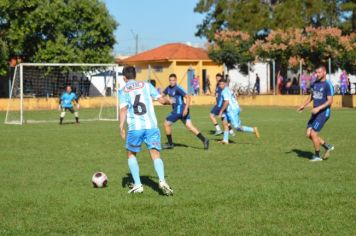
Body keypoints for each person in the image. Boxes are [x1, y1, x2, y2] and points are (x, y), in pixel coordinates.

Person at [119, 66, 173, 195]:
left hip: (135, 128)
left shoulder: (123, 90)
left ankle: (138, 185)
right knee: (155, 154)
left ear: (124, 78)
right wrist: (169, 101)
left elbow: (123, 109)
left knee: (131, 154)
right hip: (151, 126)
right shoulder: (146, 85)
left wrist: (121, 127)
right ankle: (161, 180)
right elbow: (161, 100)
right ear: (135, 75)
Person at [161, 73, 209, 150]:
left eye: (173, 80)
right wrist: (157, 97)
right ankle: (204, 140)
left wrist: (186, 109)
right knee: (190, 127)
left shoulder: (178, 88)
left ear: (176, 80)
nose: (171, 82)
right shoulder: (168, 88)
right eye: (170, 80)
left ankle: (170, 144)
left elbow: (188, 97)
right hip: (179, 110)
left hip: (180, 109)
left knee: (166, 124)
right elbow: (161, 95)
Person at [297, 65, 334, 161]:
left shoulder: (328, 84)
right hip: (315, 112)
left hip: (323, 112)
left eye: (319, 72)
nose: (317, 74)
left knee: (313, 133)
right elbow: (311, 97)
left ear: (324, 72)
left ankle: (317, 156)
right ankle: (327, 146)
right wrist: (303, 105)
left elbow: (330, 101)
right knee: (309, 134)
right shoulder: (315, 83)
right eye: (316, 72)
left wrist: (318, 108)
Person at [217, 79, 260, 144]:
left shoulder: (224, 92)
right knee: (224, 122)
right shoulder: (228, 89)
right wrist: (238, 106)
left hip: (231, 110)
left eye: (222, 84)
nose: (221, 85)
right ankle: (225, 140)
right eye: (220, 84)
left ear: (225, 84)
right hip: (231, 109)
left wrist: (221, 111)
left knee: (237, 128)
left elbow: (227, 102)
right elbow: (234, 97)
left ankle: (253, 129)